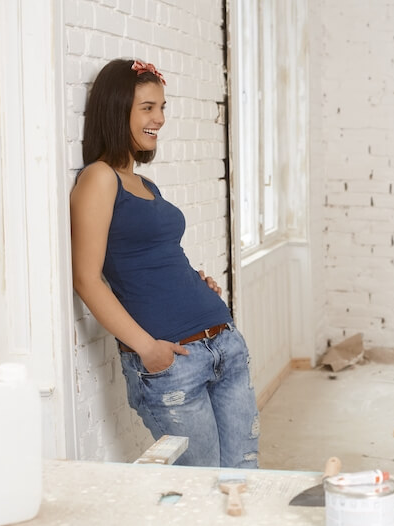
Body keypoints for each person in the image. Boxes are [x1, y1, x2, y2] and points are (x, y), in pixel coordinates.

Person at [70, 58, 259, 468]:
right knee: (200, 487)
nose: (159, 119)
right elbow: (86, 279)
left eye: (162, 107)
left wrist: (196, 283)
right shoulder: (99, 178)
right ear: (117, 109)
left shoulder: (144, 183)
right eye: (148, 108)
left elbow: (157, 257)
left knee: (245, 478)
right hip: (174, 365)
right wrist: (146, 348)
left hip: (222, 343)